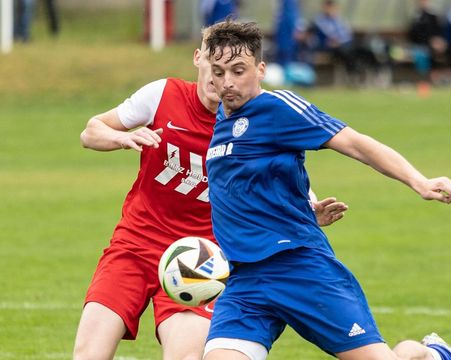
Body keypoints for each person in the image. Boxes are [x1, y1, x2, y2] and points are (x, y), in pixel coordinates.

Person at [74, 29, 347, 360]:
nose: (221, 80)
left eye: (233, 70)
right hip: (135, 245)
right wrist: (121, 138)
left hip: (202, 257)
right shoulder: (162, 94)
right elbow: (91, 131)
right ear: (199, 58)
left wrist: (309, 209)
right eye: (215, 66)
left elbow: (283, 181)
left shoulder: (252, 121)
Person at [202, 20, 451, 360]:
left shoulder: (279, 107)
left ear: (261, 69)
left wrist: (420, 181)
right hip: (243, 280)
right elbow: (256, 183)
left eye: (238, 71)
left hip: (298, 267)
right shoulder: (221, 123)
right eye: (219, 72)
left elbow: (356, 144)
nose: (227, 83)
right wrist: (307, 207)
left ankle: (430, 354)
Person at [407, 0, 449, 86]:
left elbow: (437, 32)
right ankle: (427, 79)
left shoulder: (433, 16)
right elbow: (412, 35)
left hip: (432, 45)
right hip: (419, 45)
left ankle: (441, 77)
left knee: (440, 51)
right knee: (422, 53)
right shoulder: (415, 17)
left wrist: (437, 41)